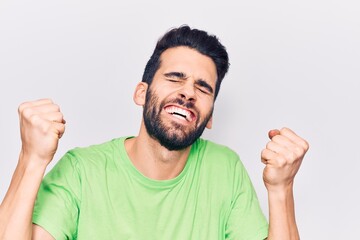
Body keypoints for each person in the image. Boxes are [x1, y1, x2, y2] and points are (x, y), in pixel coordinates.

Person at [0, 25, 309, 240]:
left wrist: (281, 190)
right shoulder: (82, 171)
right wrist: (31, 160)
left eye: (202, 88)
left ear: (210, 116)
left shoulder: (225, 169)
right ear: (141, 94)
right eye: (175, 78)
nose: (188, 92)